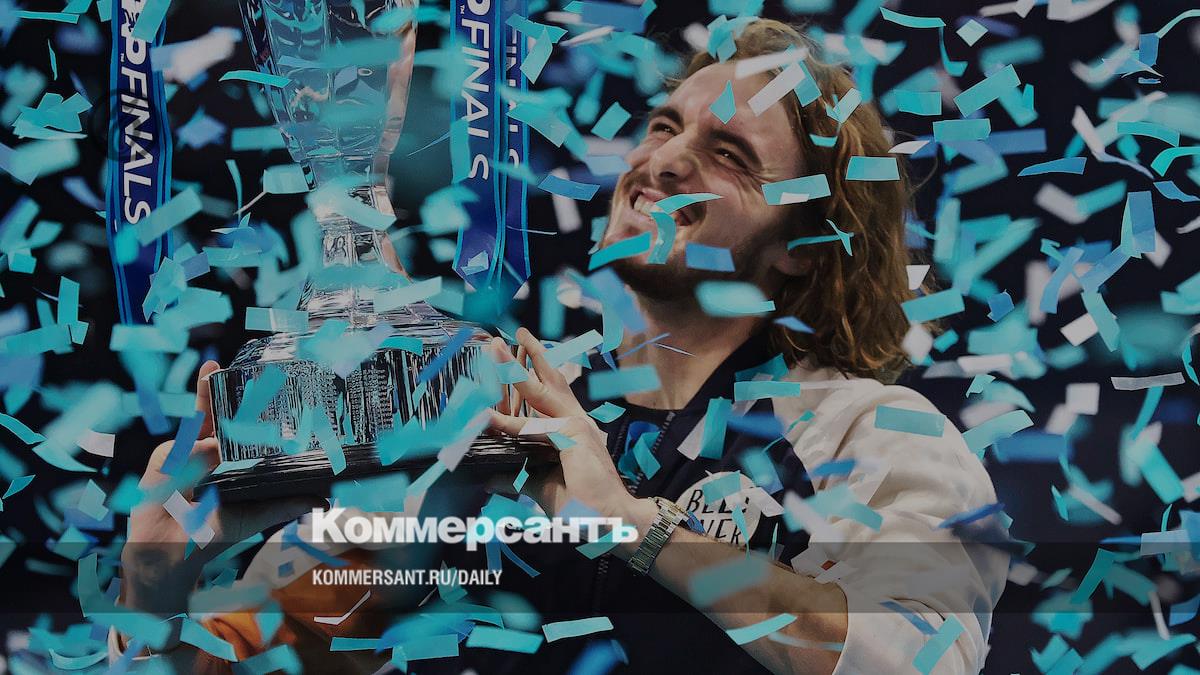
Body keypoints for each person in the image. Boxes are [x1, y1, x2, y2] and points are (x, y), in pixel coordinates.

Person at [113, 18, 1008, 674]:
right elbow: (275, 653)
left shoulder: (870, 436)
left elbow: (916, 656)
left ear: (802, 245)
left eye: (730, 153)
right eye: (665, 126)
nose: (665, 163)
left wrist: (631, 524)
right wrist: (154, 589)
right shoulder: (483, 407)